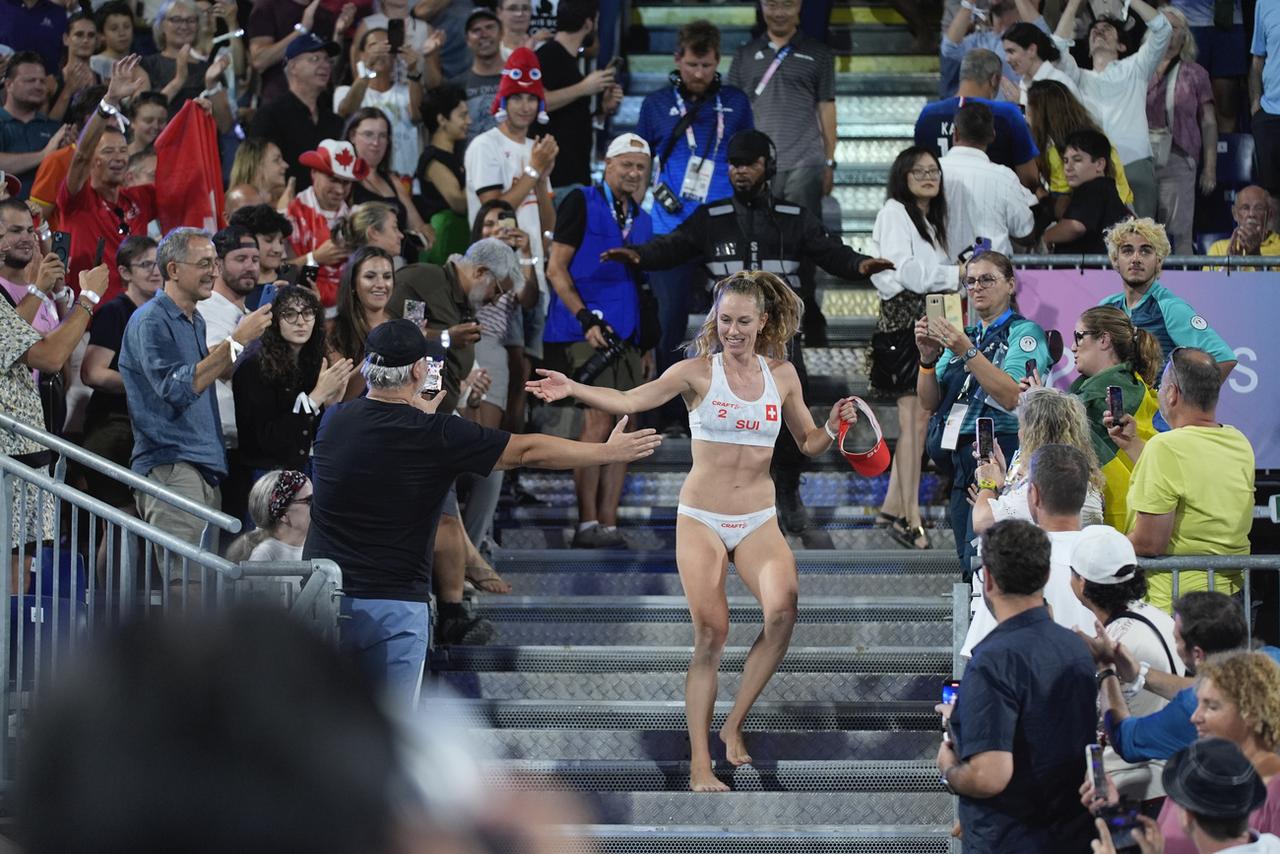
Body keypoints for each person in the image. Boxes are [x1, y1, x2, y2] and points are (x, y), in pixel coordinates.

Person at [528, 270, 862, 791]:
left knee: (783, 610)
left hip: (758, 518)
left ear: (763, 322)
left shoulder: (784, 374)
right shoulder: (695, 372)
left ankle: (734, 723)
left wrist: (835, 426)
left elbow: (809, 442)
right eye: (724, 320)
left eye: (743, 321)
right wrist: (572, 386)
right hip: (702, 517)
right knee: (712, 632)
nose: (732, 330)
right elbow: (631, 401)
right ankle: (700, 764)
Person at [304, 318, 662, 705]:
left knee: (324, 727)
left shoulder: (334, 421)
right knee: (388, 738)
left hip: (326, 599)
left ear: (367, 368)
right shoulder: (437, 434)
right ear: (419, 371)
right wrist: (606, 453)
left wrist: (419, 416)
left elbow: (386, 436)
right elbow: (527, 450)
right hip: (394, 607)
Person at [604, 129, 891, 533]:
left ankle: (788, 493)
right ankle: (728, 497)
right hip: (731, 347)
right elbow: (674, 245)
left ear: (767, 166)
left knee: (794, 423)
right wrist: (639, 255)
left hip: (784, 345)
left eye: (749, 163)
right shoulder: (712, 217)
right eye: (735, 164)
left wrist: (860, 265)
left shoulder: (794, 217)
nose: (740, 171)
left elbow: (831, 251)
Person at [935, 519, 1097, 853]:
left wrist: (949, 770)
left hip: (1010, 838)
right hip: (1070, 835)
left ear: (989, 579)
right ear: (1046, 575)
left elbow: (989, 776)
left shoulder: (993, 661)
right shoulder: (1076, 648)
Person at [118, 228, 272, 561]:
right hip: (172, 463)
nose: (214, 272)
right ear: (173, 270)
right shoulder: (151, 321)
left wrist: (252, 339)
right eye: (204, 263)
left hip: (203, 464)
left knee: (198, 585)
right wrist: (236, 341)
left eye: (215, 263)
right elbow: (177, 388)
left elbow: (211, 374)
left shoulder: (195, 320)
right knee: (184, 586)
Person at [634, 18, 754, 434]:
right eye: (691, 65)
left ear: (717, 61)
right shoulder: (654, 105)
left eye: (706, 66)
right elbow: (640, 164)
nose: (699, 74)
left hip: (724, 228)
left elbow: (747, 160)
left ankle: (724, 404)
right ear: (677, 60)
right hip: (670, 228)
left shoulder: (736, 103)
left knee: (730, 322)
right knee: (668, 321)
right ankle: (666, 410)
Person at [542, 133, 652, 549]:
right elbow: (556, 269)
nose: (634, 172)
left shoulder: (641, 217)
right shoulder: (581, 201)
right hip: (583, 331)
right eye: (626, 164)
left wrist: (646, 344)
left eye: (641, 166)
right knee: (598, 420)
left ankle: (608, 521)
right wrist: (584, 317)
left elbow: (640, 286)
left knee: (630, 422)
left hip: (627, 337)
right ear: (607, 164)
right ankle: (586, 521)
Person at [915, 250, 1049, 569]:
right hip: (961, 461)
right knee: (968, 560)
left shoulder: (1024, 333)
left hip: (999, 455)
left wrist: (966, 350)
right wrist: (926, 360)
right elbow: (929, 401)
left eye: (987, 279)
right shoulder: (968, 334)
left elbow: (1010, 396)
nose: (976, 287)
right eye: (970, 281)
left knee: (990, 557)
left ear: (1010, 285)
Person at [1109, 347, 1253, 612]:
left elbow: (1150, 543)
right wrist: (1132, 444)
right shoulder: (1239, 442)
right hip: (1231, 602)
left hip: (1179, 609)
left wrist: (1105, 546)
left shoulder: (1165, 448)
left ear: (1172, 393)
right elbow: (1188, 475)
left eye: (1161, 387)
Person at [868, 146, 958, 551]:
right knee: (915, 422)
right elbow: (910, 274)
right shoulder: (895, 212)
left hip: (926, 321)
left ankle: (891, 509)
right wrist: (959, 272)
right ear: (902, 175)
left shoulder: (930, 220)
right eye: (919, 170)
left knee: (918, 421)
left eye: (934, 170)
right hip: (904, 325)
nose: (928, 176)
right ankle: (910, 517)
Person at [1070, 523, 1184, 802]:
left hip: (1135, 787)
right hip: (1170, 776)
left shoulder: (1115, 642)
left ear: (1082, 583)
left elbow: (1099, 720)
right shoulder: (1158, 616)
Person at [1083, 591, 1261, 764]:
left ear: (1197, 654)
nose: (1175, 645)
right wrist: (1140, 673)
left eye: (1176, 640)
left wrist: (1106, 669)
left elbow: (1126, 740)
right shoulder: (1271, 659)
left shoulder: (1192, 711)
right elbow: (1202, 687)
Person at [464, 46, 558, 365]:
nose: (524, 106)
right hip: (495, 274)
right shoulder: (485, 145)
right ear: (503, 101)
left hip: (533, 269)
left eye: (531, 98)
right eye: (516, 97)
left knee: (527, 369)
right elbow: (492, 211)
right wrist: (534, 171)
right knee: (501, 365)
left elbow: (548, 225)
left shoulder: (536, 149)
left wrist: (542, 178)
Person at [964, 442, 1102, 656]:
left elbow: (984, 654)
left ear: (1034, 495)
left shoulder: (1016, 562)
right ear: (1084, 494)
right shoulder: (1107, 559)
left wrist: (989, 487)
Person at [1051, 0, 1171, 219]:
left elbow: (1163, 28)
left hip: (1133, 164)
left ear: (1121, 46)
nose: (1099, 31)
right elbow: (1056, 46)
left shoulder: (1136, 67)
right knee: (1096, 241)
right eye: (1094, 30)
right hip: (1092, 168)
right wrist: (1074, 4)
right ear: (1087, 49)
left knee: (1141, 238)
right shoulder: (1079, 77)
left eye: (1107, 29)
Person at [57, 56, 158, 306]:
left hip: (136, 318)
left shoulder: (140, 199)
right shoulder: (76, 199)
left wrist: (198, 111)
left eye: (123, 151)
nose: (118, 158)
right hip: (88, 322)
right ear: (93, 159)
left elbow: (181, 175)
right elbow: (80, 156)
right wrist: (108, 103)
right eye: (108, 152)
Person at [727, 0, 836, 216]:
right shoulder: (744, 55)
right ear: (761, 6)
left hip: (805, 162)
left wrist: (829, 162)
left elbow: (826, 107)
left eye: (787, 5)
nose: (779, 13)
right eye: (772, 5)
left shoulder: (820, 53)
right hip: (757, 162)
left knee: (802, 235)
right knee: (760, 234)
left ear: (800, 5)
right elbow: (733, 111)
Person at [234, 285, 352, 478]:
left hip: (306, 470)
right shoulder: (253, 367)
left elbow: (313, 437)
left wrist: (331, 407)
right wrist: (316, 398)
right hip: (265, 476)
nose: (300, 322)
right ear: (274, 320)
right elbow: (268, 440)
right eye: (290, 314)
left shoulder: (313, 364)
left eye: (307, 313)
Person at [1099, 218, 1236, 383]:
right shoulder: (1107, 308)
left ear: (1158, 260)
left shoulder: (1170, 307)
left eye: (1145, 251)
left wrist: (1189, 404)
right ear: (1115, 259)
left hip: (1159, 408)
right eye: (1127, 251)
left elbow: (1223, 359)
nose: (1136, 258)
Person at [80, 236, 159, 511]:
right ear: (125, 273)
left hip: (145, 428)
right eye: (146, 264)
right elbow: (93, 373)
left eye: (159, 263)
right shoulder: (114, 312)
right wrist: (148, 386)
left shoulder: (161, 314)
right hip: (112, 427)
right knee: (123, 519)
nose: (155, 271)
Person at [969, 387, 1107, 542]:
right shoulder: (1081, 477)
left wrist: (988, 483)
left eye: (1022, 427)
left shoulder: (1047, 485)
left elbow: (982, 522)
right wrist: (1002, 481)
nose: (1019, 433)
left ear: (1032, 435)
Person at [1068, 306, 1162, 529]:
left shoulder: (1098, 397)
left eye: (1079, 337)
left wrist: (1037, 404)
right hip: (1135, 509)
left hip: (1116, 515)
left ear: (1104, 340)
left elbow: (1060, 425)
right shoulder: (1133, 383)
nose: (1073, 347)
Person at [915, 49, 1040, 190]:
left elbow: (918, 170)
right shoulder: (1008, 114)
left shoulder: (928, 114)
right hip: (994, 203)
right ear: (994, 80)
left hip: (941, 205)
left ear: (962, 76)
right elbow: (1029, 179)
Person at [1146, 7, 1217, 255]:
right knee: (1140, 232)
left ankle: (1181, 287)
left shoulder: (1196, 74)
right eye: (1161, 26)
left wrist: (1210, 168)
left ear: (1184, 36)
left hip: (1179, 156)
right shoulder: (1138, 69)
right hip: (1140, 158)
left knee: (1179, 233)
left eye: (1173, 27)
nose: (1167, 32)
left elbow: (1208, 122)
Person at [536, 0, 620, 196]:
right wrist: (583, 88)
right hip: (556, 178)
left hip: (576, 173)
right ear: (589, 23)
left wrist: (603, 111)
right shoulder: (547, 55)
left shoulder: (571, 59)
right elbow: (538, 103)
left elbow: (570, 119)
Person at [249, 34, 345, 191]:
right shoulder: (270, 116)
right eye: (315, 59)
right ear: (293, 67)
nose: (325, 65)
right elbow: (257, 172)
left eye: (327, 60)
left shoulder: (335, 122)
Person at [939, 101, 1037, 255]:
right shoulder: (1004, 177)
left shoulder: (933, 172)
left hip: (940, 274)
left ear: (955, 133)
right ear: (992, 136)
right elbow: (1025, 234)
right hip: (991, 273)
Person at [1026, 79, 1135, 214]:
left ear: (1041, 114)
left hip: (1101, 218)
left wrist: (1040, 193)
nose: (1027, 115)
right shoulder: (1094, 135)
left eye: (1029, 109)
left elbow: (1061, 206)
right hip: (1124, 209)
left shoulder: (1062, 153)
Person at [285, 139, 366, 310]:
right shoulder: (290, 214)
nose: (339, 190)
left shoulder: (356, 218)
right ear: (314, 173)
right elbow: (279, 271)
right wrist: (314, 258)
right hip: (301, 311)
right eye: (333, 179)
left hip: (347, 311)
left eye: (346, 182)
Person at [335, 29, 426, 178]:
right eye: (374, 47)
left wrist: (413, 71)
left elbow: (418, 116)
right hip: (361, 180)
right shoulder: (344, 92)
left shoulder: (407, 91)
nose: (381, 52)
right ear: (361, 55)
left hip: (406, 181)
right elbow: (347, 113)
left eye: (387, 47)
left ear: (395, 56)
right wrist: (367, 69)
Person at [343, 108, 430, 263]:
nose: (376, 142)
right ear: (352, 136)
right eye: (368, 134)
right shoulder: (344, 180)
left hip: (402, 262)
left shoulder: (392, 179)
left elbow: (418, 225)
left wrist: (425, 234)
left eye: (382, 136)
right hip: (365, 263)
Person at [136, 0, 232, 127]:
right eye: (176, 19)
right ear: (162, 25)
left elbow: (225, 126)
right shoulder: (145, 65)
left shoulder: (209, 70)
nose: (184, 26)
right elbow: (140, 116)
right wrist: (178, 81)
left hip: (198, 143)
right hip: (159, 142)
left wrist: (211, 84)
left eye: (191, 20)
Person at [247, 0, 357, 106]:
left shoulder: (324, 14)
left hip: (319, 105)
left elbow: (332, 69)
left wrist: (339, 33)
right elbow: (259, 60)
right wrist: (302, 30)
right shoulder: (267, 6)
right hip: (279, 102)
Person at [1044, 129, 1132, 255]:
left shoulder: (1094, 188)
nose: (1068, 167)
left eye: (1077, 159)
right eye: (1066, 161)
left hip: (1090, 273)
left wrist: (1046, 237)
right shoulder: (1104, 189)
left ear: (1100, 164)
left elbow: (1075, 227)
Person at [0, 52, 72, 201]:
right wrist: (44, 155)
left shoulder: (55, 129)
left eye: (42, 81)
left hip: (46, 220)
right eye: (30, 80)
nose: (38, 86)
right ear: (8, 84)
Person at [328, 246, 395, 402]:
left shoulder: (399, 327)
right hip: (353, 420)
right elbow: (338, 395)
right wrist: (374, 356)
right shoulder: (333, 330)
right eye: (370, 276)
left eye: (387, 276)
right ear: (352, 284)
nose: (381, 284)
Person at [415, 84, 470, 262]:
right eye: (462, 115)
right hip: (443, 248)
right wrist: (479, 173)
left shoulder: (455, 156)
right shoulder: (433, 160)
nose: (468, 121)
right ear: (442, 119)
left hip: (459, 240)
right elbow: (459, 203)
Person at [940, 0, 1038, 100]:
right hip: (981, 113)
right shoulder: (980, 40)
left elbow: (1042, 33)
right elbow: (949, 48)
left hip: (1017, 112)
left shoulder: (1028, 39)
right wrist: (968, 3)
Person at [225, 470, 313, 563]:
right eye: (309, 501)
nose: (317, 506)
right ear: (283, 514)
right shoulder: (265, 554)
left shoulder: (315, 546)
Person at [449, 7, 504, 145]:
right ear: (467, 40)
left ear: (501, 33)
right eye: (476, 30)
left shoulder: (518, 79)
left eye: (489, 27)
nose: (484, 34)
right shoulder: (456, 86)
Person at [228, 203, 295, 310]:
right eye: (269, 240)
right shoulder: (231, 288)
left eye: (281, 241)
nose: (278, 249)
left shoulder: (292, 282)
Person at [1002, 20, 1083, 106]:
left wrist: (1021, 103)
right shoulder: (1023, 85)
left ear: (1031, 50)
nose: (1007, 59)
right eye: (1006, 53)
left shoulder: (1058, 82)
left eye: (1011, 52)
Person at [1206, 186, 1279, 270]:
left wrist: (1256, 257)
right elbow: (1210, 283)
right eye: (1245, 208)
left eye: (1259, 208)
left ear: (1269, 215)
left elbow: (1274, 283)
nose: (1251, 214)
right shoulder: (1218, 248)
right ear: (1235, 214)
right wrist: (1232, 265)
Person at [1252, 1, 1280, 215]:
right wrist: (1255, 102)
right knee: (1272, 197)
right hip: (1270, 114)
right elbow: (1258, 58)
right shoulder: (1265, 2)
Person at [228, 138, 293, 213]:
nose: (286, 165)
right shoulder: (239, 207)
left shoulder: (288, 200)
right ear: (256, 166)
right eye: (276, 160)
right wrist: (283, 211)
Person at [91, 1, 135, 74]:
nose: (122, 33)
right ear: (102, 35)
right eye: (114, 28)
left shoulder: (139, 65)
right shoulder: (93, 64)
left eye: (127, 27)